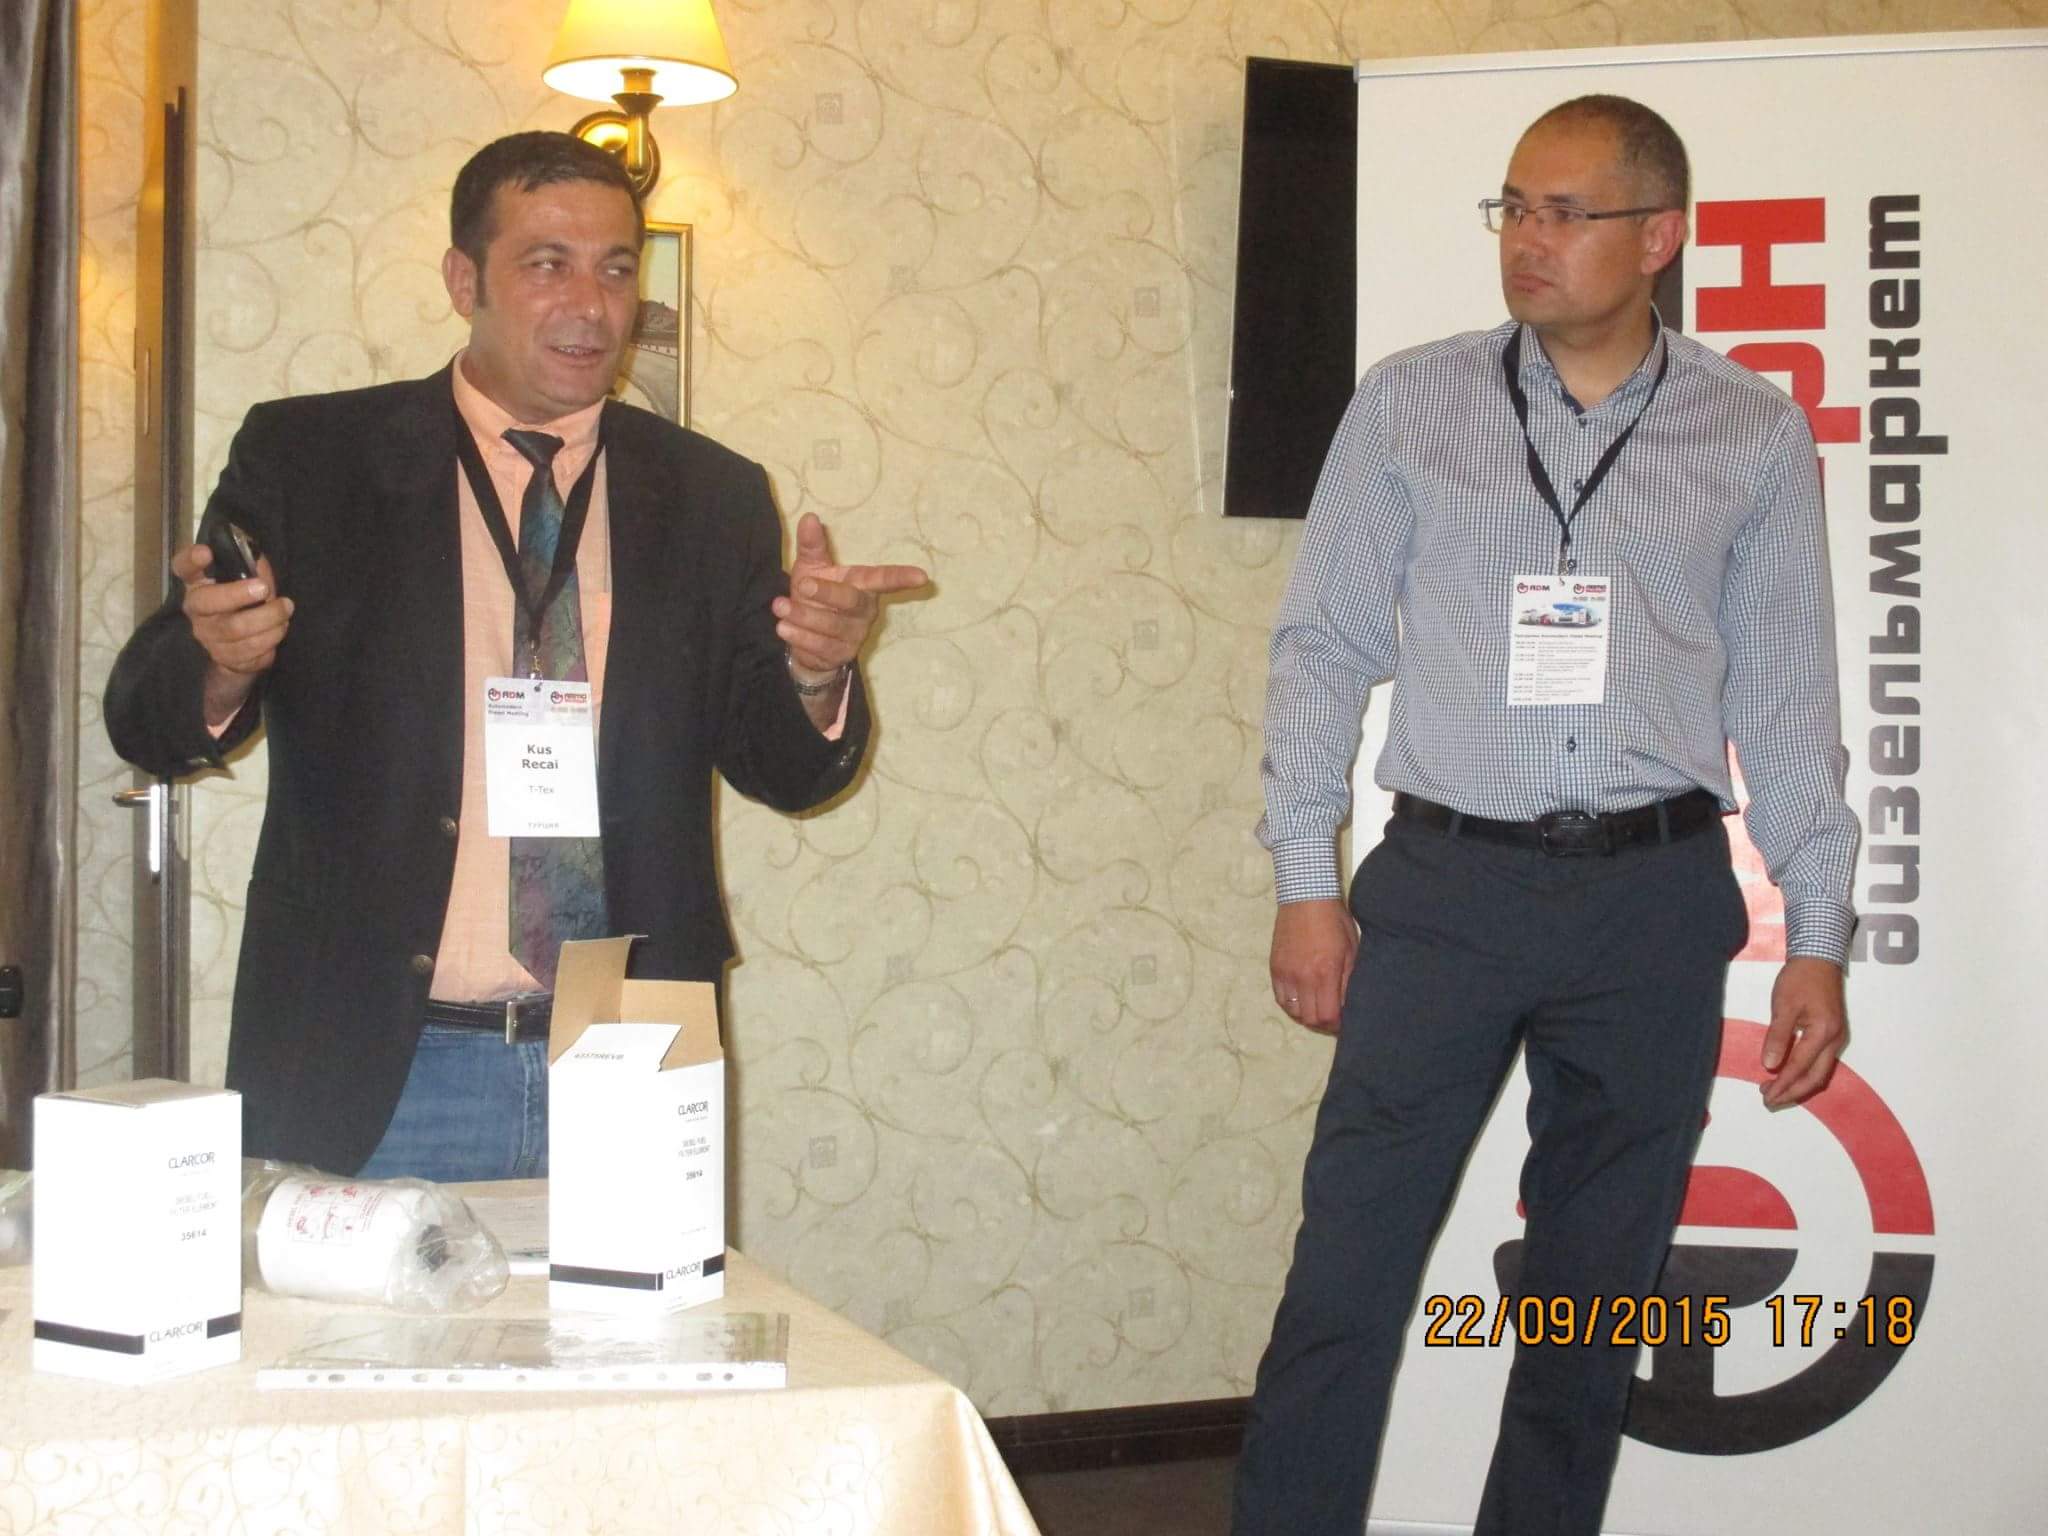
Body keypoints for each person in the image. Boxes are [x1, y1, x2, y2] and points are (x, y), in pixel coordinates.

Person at [1232, 96, 1858, 1535]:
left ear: (1658, 238)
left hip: (1651, 902)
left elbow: (1785, 698)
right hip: (1446, 891)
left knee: (1589, 1308)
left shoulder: (1752, 433)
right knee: (1344, 1283)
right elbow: (1321, 647)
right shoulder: (1409, 402)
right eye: (1513, 207)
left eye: (1566, 212)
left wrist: (1817, 933)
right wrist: (1304, 878)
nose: (1527, 238)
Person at [105, 131, 927, 1181]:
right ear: (465, 281)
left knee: (643, 1308)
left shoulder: (710, 494)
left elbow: (783, 770)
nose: (591, 304)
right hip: (378, 1061)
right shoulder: (314, 460)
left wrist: (817, 671)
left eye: (616, 269)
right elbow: (145, 720)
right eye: (548, 264)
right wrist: (222, 660)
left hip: (631, 1056)